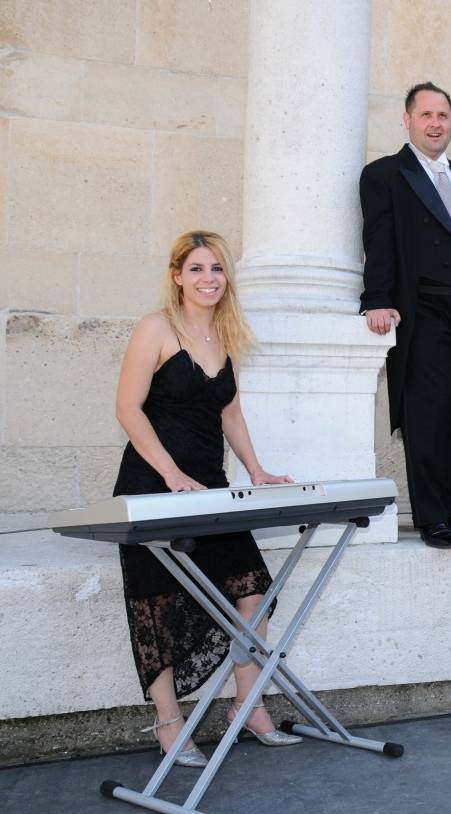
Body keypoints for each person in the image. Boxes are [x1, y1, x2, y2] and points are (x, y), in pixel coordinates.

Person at [113, 231, 300, 767]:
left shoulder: (225, 332)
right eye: (196, 269)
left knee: (253, 590)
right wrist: (170, 473)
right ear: (177, 276)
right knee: (158, 604)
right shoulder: (155, 328)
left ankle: (249, 708)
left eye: (216, 269)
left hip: (207, 484)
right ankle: (169, 724)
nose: (208, 279)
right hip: (153, 482)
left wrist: (257, 470)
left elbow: (230, 413)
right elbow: (128, 409)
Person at [360, 81, 451, 549]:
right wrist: (376, 297)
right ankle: (433, 518)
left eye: (442, 115)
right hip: (422, 307)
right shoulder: (384, 174)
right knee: (427, 413)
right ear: (407, 120)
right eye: (425, 115)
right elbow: (378, 241)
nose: (435, 123)